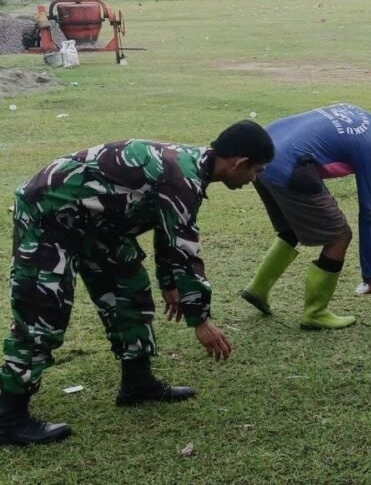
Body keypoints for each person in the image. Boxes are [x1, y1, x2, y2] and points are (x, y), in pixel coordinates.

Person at [0, 121, 274, 446]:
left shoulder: (193, 169)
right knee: (43, 312)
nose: (253, 179)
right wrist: (200, 321)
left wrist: (168, 282)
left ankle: (137, 383)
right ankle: (9, 416)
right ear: (239, 163)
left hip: (99, 222)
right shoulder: (181, 175)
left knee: (129, 291)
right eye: (255, 170)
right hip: (49, 213)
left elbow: (167, 225)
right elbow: (185, 250)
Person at [240, 101, 371, 330]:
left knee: (291, 227)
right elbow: (370, 214)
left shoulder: (354, 109)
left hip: (261, 157)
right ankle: (315, 313)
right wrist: (369, 275)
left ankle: (258, 289)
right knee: (339, 236)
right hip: (290, 164)